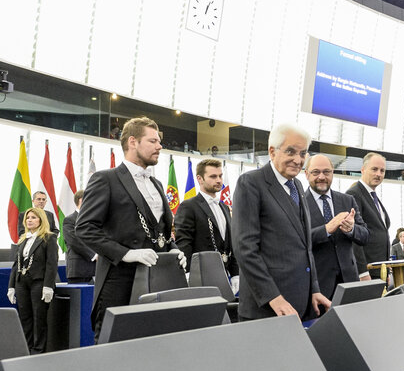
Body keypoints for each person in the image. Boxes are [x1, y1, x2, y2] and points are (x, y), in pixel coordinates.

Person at [77, 117, 186, 341]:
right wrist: (126, 253)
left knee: (155, 343)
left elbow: (161, 231)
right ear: (133, 142)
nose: (159, 146)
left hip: (157, 278)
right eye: (153, 141)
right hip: (119, 279)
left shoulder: (156, 184)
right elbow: (85, 228)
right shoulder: (105, 179)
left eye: (159, 142)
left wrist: (173, 248)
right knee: (114, 344)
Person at [232, 123, 330, 320]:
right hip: (267, 310)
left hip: (300, 304)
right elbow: (245, 249)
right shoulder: (251, 183)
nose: (298, 159)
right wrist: (273, 297)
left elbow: (305, 246)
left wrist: (314, 289)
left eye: (303, 153)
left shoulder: (298, 185)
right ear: (272, 151)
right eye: (291, 151)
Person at [303, 154, 369, 301]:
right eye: (316, 172)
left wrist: (351, 229)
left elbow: (365, 235)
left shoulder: (347, 200)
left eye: (326, 172)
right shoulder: (298, 204)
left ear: (333, 172)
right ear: (306, 174)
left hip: (349, 282)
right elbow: (297, 240)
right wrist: (326, 229)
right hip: (317, 287)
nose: (321, 176)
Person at [174, 158, 239, 291]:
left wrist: (236, 273)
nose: (219, 180)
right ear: (200, 179)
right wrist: (186, 273)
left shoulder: (225, 207)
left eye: (220, 176)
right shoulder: (188, 206)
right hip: (200, 274)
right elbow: (184, 242)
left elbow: (231, 244)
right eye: (213, 176)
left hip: (224, 274)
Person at [7, 207, 58, 354]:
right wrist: (11, 286)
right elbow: (16, 264)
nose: (30, 220)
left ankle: (38, 350)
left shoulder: (49, 237)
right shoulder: (23, 239)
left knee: (39, 317)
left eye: (34, 217)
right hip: (22, 282)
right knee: (25, 317)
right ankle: (26, 349)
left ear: (41, 220)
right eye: (28, 218)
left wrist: (48, 286)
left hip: (39, 282)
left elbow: (51, 263)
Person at [347, 152, 391, 280]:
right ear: (363, 170)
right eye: (374, 169)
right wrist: (362, 272)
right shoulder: (354, 194)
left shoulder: (373, 196)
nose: (378, 174)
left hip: (380, 270)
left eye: (382, 171)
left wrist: (386, 270)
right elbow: (353, 236)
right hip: (368, 272)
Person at [61, 190, 96, 284]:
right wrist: (94, 255)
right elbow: (74, 242)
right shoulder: (69, 220)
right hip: (79, 270)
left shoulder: (95, 219)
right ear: (81, 200)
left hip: (97, 269)